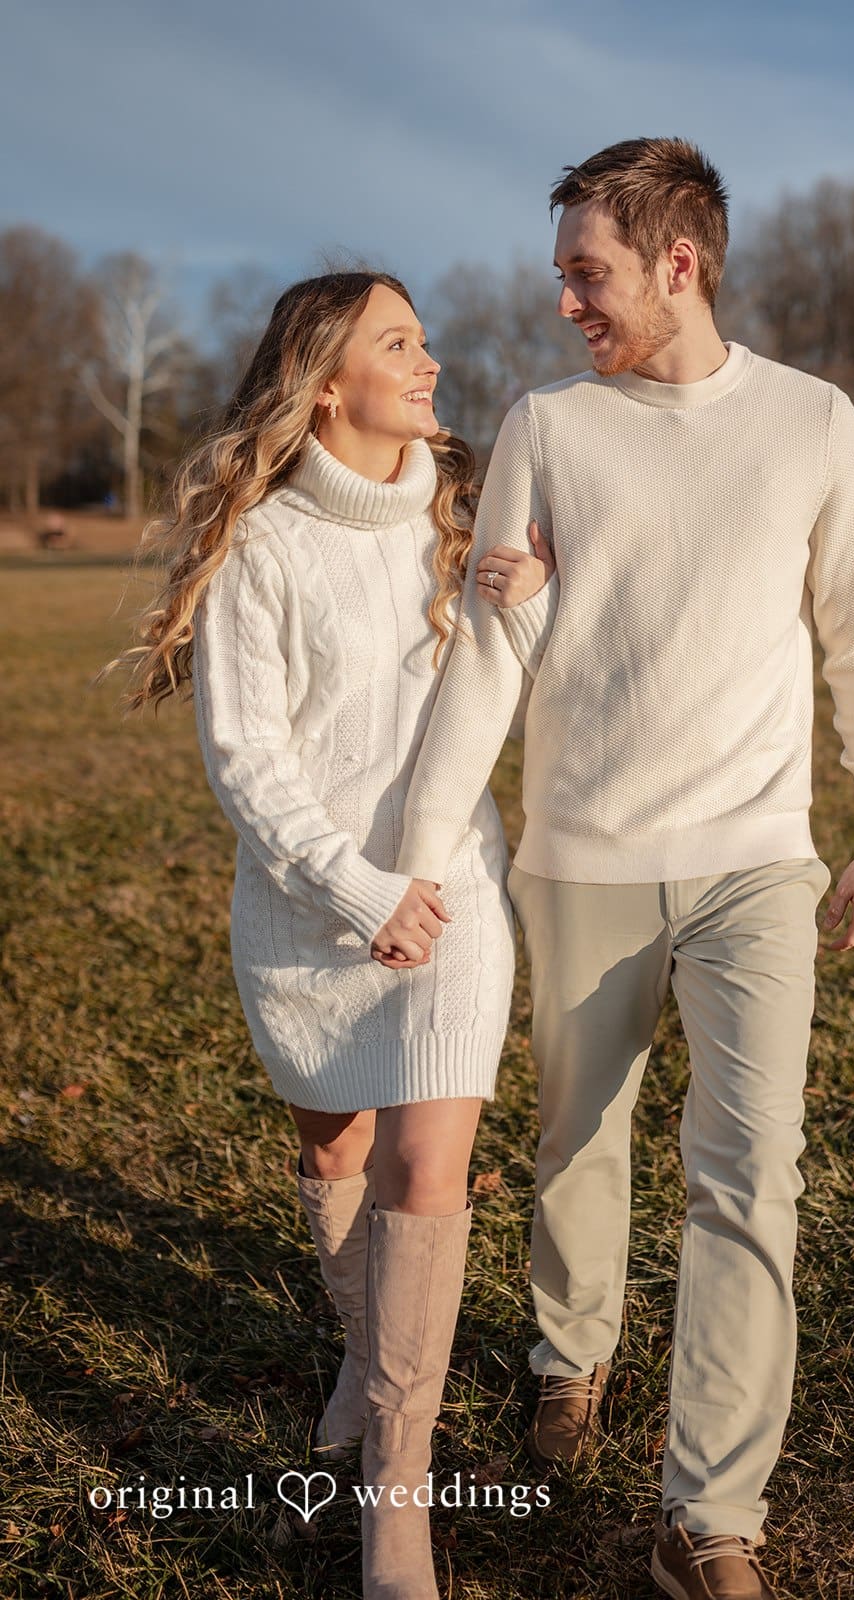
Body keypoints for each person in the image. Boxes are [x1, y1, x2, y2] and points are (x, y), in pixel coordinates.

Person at [391, 140, 854, 1600]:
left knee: (753, 1176)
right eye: (565, 273)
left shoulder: (813, 422)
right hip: (585, 854)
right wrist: (419, 863)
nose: (566, 301)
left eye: (588, 272)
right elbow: (494, 666)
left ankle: (709, 1519)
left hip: (756, 856)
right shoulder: (545, 426)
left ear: (677, 262)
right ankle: (572, 1357)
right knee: (580, 1136)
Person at [105, 270, 551, 1600]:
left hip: (455, 903)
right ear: (326, 382)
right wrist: (358, 892)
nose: (430, 362)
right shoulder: (267, 549)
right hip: (310, 922)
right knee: (342, 1156)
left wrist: (526, 600)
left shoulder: (467, 519)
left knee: (428, 1171)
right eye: (398, 344)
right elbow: (249, 759)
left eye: (422, 340)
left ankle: (394, 1502)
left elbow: (503, 689)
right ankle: (370, 1352)